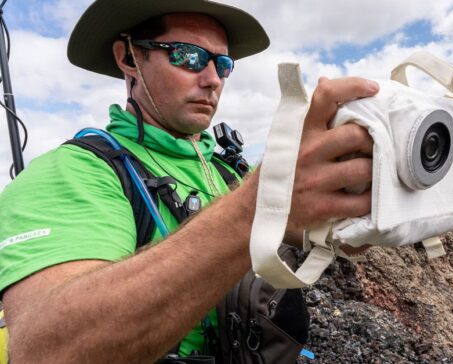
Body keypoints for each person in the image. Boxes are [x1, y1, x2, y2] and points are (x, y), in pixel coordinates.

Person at [0, 0, 376, 362]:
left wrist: (349, 217)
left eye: (223, 64)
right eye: (188, 55)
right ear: (128, 57)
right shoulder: (75, 171)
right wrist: (261, 201)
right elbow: (47, 352)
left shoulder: (230, 171)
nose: (212, 79)